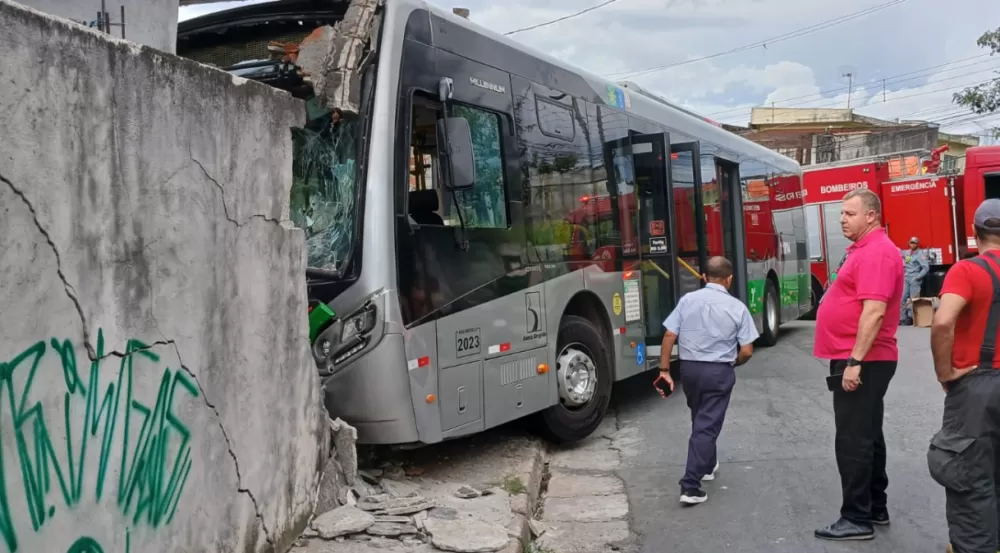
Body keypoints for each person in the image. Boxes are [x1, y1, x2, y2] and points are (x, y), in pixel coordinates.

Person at [813, 188, 904, 541]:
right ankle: (874, 507)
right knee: (867, 433)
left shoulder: (877, 252)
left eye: (849, 213)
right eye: (841, 214)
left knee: (853, 439)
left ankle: (856, 517)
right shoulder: (865, 249)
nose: (842, 219)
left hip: (865, 358)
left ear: (871, 216)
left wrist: (854, 361)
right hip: (864, 357)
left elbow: (875, 310)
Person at [655, 256, 758, 506]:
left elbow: (670, 334)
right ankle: (690, 485)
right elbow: (746, 351)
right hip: (719, 371)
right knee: (707, 424)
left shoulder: (687, 300)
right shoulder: (737, 307)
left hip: (689, 370)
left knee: (701, 416)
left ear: (703, 276)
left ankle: (708, 465)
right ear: (729, 279)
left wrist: (664, 370)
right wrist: (733, 363)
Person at [929, 199, 1000, 553]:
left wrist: (946, 371)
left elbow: (943, 320)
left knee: (971, 478)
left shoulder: (968, 270)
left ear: (975, 233)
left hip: (978, 387)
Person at [901, 236, 930, 325]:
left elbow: (925, 268)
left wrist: (918, 277)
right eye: (911, 242)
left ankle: (913, 318)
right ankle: (903, 318)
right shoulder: (907, 253)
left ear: (917, 244)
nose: (912, 245)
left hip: (914, 279)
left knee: (914, 299)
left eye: (914, 243)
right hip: (906, 278)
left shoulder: (920, 255)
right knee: (902, 298)